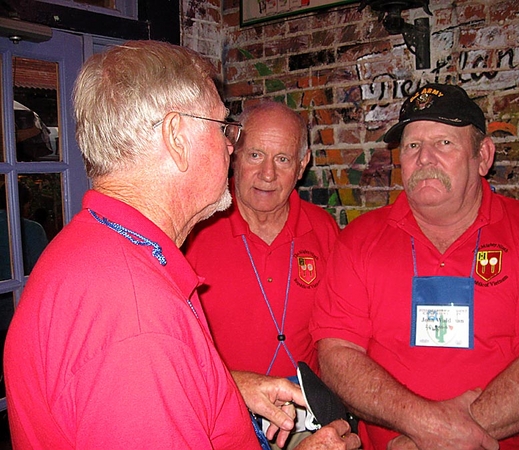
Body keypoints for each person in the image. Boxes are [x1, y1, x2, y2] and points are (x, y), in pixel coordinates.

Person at [3, 40, 360, 450]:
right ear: (176, 136)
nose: (231, 145)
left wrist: (227, 387)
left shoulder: (100, 245)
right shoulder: (136, 322)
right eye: (222, 127)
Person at [310, 83, 519, 450]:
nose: (424, 157)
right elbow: (336, 354)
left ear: (483, 156)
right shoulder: (359, 239)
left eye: (443, 142)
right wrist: (423, 423)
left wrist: (428, 441)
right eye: (412, 145)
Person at [185, 101, 340, 448]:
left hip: (306, 421)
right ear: (233, 154)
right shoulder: (192, 229)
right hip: (221, 418)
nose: (267, 174)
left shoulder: (325, 230)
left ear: (302, 166)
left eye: (282, 159)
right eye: (255, 155)